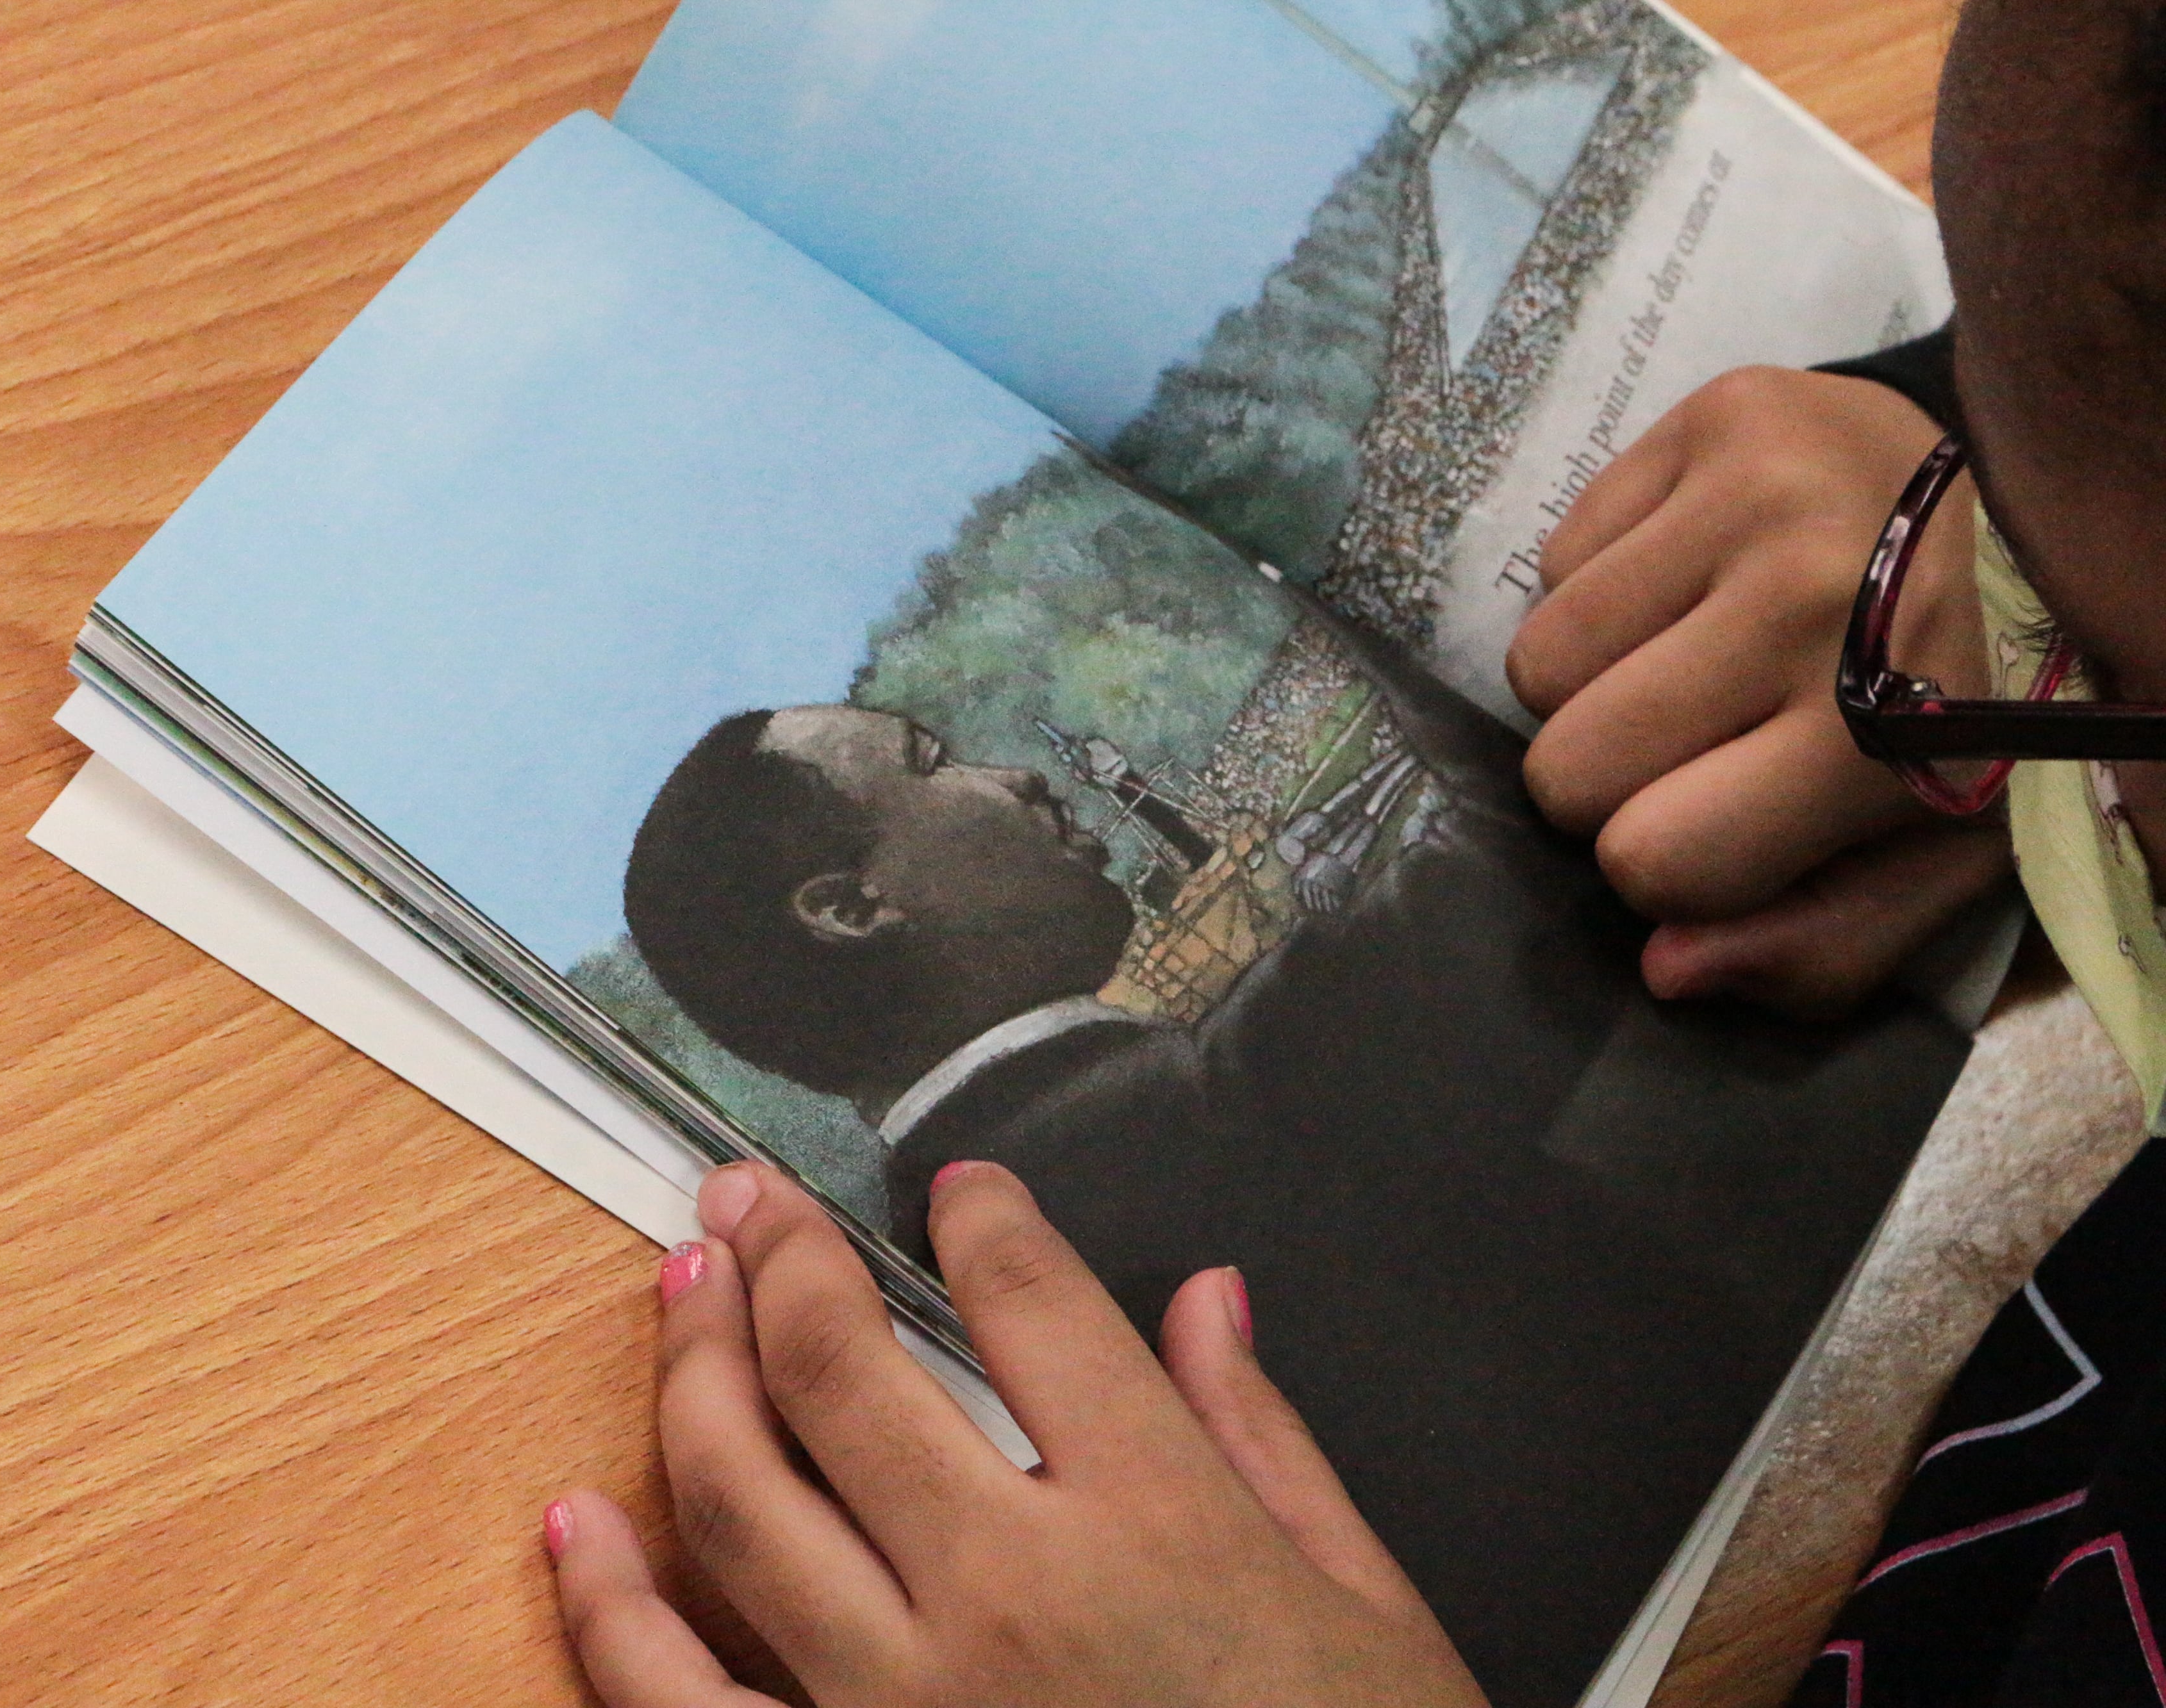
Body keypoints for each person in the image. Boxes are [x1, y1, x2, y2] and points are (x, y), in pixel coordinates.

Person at [541, 0, 2166, 1701]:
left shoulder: (1104, 1138)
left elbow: (1432, 945)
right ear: (850, 903)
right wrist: (1964, 451)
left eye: (2088, 652)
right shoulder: (1108, 1128)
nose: (1024, 781)